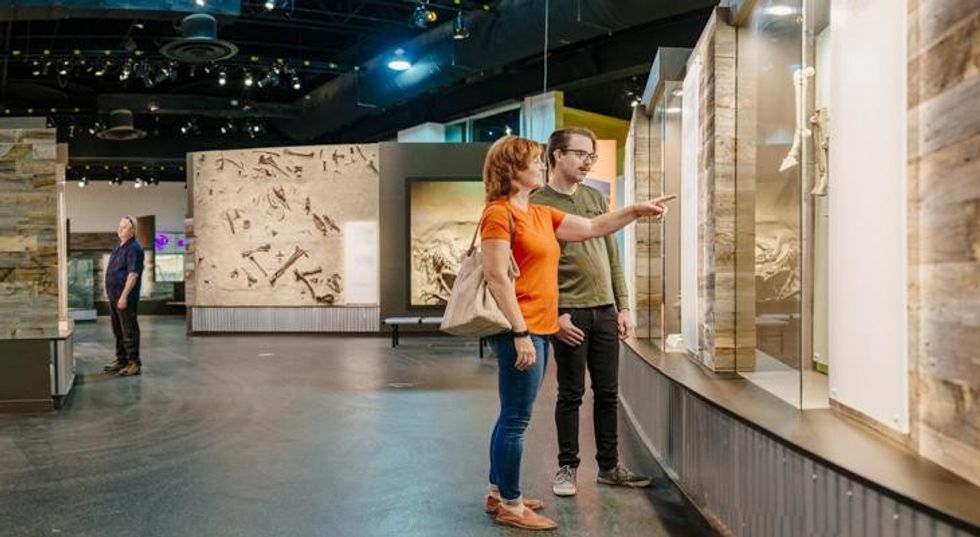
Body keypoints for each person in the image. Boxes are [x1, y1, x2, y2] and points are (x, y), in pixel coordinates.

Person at [480, 136, 673, 530]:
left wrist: (635, 210)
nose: (539, 166)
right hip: (521, 329)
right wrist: (519, 332)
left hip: (537, 327)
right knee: (516, 419)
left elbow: (593, 227)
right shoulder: (499, 214)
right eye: (534, 161)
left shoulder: (538, 214)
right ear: (512, 170)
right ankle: (513, 506)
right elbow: (497, 277)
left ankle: (499, 492)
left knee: (511, 416)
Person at [531, 127, 652, 497]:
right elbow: (538, 265)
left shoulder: (595, 198)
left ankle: (610, 467)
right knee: (571, 394)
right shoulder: (538, 202)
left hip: (604, 310)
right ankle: (567, 468)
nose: (588, 162)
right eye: (581, 154)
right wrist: (555, 316)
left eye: (592, 156)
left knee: (608, 393)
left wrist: (623, 305)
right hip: (569, 313)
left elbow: (611, 255)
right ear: (556, 156)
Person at [102, 216, 145, 377]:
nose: (120, 230)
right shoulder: (119, 246)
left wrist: (124, 296)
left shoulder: (134, 248)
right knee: (118, 330)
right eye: (119, 226)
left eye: (124, 227)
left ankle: (134, 363)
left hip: (124, 298)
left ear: (133, 231)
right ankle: (122, 359)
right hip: (114, 297)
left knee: (129, 330)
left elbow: (133, 274)